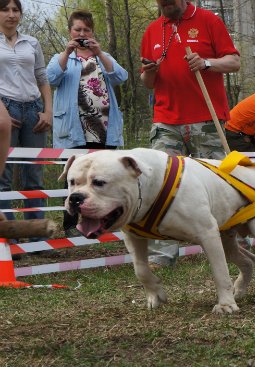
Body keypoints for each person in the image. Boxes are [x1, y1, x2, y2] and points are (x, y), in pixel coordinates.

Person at [140, 0, 240, 266]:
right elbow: (147, 82)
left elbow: (234, 62)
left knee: (219, 182)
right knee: (161, 183)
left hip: (206, 118)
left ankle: (234, 246)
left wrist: (206, 62)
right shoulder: (153, 30)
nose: (166, 7)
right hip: (166, 119)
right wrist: (150, 73)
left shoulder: (209, 20)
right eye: (161, 3)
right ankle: (162, 254)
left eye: (170, 3)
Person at [47, 9, 128, 237]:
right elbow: (52, 77)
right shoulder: (62, 57)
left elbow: (121, 77)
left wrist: (99, 52)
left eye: (86, 30)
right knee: (74, 178)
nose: (82, 34)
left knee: (102, 178)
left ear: (92, 32)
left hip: (103, 128)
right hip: (75, 129)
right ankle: (71, 225)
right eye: (77, 29)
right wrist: (67, 51)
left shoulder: (102, 57)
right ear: (70, 31)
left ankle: (102, 224)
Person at [0, 0, 52, 229]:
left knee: (34, 176)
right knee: (3, 176)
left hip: (33, 109)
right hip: (4, 108)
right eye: (5, 9)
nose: (11, 15)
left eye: (15, 10)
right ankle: (9, 236)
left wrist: (48, 111)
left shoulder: (32, 42)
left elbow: (42, 76)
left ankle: (36, 236)